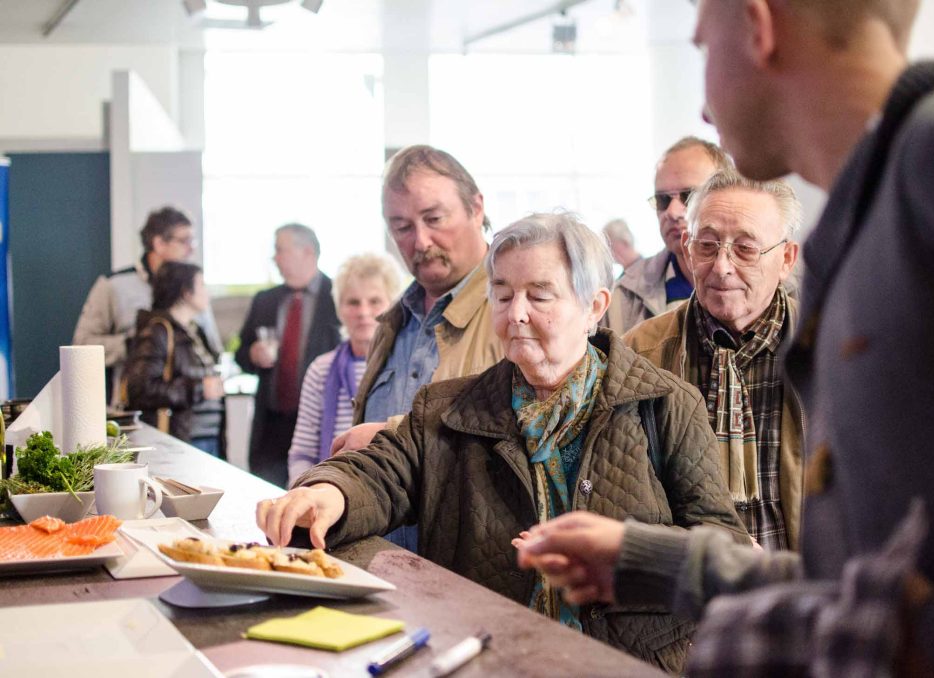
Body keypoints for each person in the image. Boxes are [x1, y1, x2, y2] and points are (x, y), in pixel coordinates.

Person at [519, 0, 934, 675]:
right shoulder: (868, 222)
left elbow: (906, 628)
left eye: (702, 48)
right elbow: (849, 589)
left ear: (758, 28)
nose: (702, 108)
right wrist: (648, 559)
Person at [257, 213, 748, 673]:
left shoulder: (666, 405)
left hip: (632, 662)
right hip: (488, 658)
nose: (515, 314)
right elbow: (380, 471)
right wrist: (326, 492)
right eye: (502, 293)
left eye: (539, 295)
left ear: (594, 306)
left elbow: (720, 543)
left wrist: (628, 556)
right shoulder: (448, 408)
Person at [328, 145, 506, 552]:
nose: (421, 241)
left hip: (470, 573)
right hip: (382, 565)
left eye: (434, 219)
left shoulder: (511, 311)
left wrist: (392, 436)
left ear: (476, 207)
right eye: (402, 227)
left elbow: (522, 443)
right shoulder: (392, 323)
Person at [624, 170, 803, 551]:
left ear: (786, 258)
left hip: (808, 593)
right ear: (688, 249)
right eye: (707, 245)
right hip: (684, 592)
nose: (722, 267)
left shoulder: (831, 350)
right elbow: (624, 497)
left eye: (745, 249)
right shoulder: (639, 355)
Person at [73, 206, 222, 405]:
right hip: (137, 410)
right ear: (159, 243)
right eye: (185, 241)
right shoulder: (114, 285)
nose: (192, 248)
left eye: (193, 241)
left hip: (195, 416)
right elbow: (82, 347)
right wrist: (138, 343)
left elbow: (214, 348)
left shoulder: (194, 289)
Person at [236, 224, 340, 487]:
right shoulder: (265, 300)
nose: (275, 258)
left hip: (319, 426)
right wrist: (252, 354)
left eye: (279, 250)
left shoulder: (339, 297)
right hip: (270, 428)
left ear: (306, 252)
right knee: (265, 501)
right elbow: (241, 355)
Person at [286, 253, 403, 486]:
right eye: (353, 302)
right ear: (339, 308)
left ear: (393, 305)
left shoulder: (408, 366)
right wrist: (307, 493)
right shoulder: (321, 369)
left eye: (375, 301)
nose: (363, 312)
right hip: (328, 492)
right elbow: (302, 453)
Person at [604, 137, 730, 335]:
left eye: (689, 196)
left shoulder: (785, 289)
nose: (672, 212)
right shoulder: (624, 297)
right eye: (663, 199)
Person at [124, 262, 225, 454]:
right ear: (186, 291)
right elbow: (140, 389)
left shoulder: (196, 330)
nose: (207, 292)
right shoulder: (158, 331)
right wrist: (199, 388)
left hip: (206, 436)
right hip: (180, 440)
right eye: (202, 285)